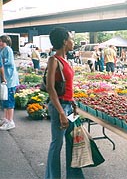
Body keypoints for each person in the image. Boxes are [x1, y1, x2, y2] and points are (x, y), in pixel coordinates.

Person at [45, 27, 84, 179]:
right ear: (64, 41)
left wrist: (72, 102)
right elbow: (50, 88)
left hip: (68, 105)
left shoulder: (66, 60)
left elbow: (67, 85)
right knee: (57, 144)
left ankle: (73, 176)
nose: (72, 42)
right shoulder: (53, 60)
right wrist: (61, 112)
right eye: (70, 39)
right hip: (59, 107)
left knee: (71, 143)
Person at [0, 35, 19, 130]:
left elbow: (10, 62)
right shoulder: (3, 49)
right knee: (5, 100)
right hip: (7, 80)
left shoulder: (7, 49)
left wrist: (2, 61)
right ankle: (6, 119)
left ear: (4, 41)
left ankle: (10, 121)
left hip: (10, 79)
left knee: (9, 100)